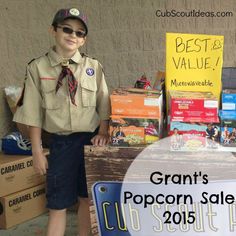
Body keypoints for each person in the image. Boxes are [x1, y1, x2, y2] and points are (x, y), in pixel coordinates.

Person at [13, 7, 110, 236]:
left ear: (83, 40)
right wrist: (37, 151)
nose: (72, 36)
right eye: (66, 29)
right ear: (53, 31)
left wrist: (104, 131)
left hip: (89, 141)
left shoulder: (93, 67)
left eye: (79, 33)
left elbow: (103, 103)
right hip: (60, 143)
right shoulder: (37, 67)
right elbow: (32, 112)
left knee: (86, 198)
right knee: (58, 203)